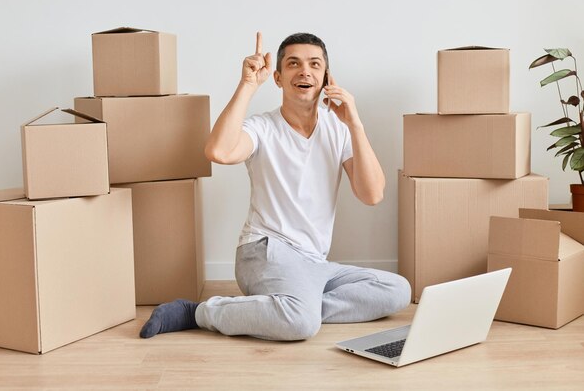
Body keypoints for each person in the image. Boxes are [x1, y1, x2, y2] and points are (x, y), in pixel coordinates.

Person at [139, 32, 410, 341]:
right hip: (265, 251)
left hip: (314, 264)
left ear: (326, 79)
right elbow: (219, 151)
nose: (304, 71)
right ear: (279, 78)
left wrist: (355, 123)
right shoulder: (262, 127)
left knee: (397, 290)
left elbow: (372, 194)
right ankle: (198, 312)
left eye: (314, 64)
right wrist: (248, 85)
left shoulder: (339, 129)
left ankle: (289, 306)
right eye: (293, 64)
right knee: (301, 324)